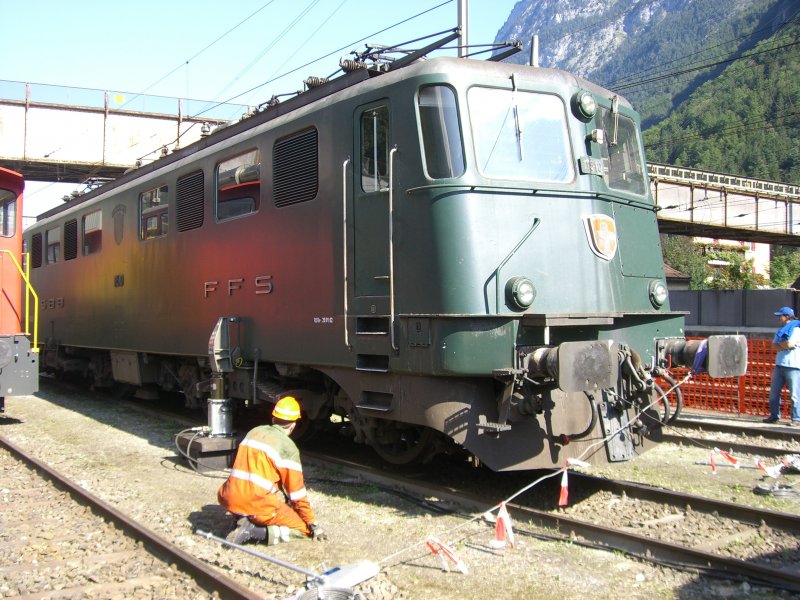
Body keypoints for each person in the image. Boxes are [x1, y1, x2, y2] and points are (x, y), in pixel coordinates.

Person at [218, 396, 326, 544]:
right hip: (256, 503)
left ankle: (242, 518)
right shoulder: (288, 448)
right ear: (293, 425)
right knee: (302, 530)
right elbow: (297, 494)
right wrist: (312, 524)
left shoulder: (254, 432)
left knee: (253, 503)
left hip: (228, 497)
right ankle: (253, 532)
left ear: (273, 418)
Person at [764, 306, 800, 425]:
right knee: (774, 393)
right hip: (779, 364)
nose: (779, 318)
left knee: (794, 394)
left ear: (787, 316)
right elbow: (774, 346)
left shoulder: (796, 329)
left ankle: (796, 418)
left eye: (781, 316)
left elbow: (789, 344)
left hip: (793, 365)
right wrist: (782, 344)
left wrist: (782, 345)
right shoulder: (781, 331)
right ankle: (774, 416)